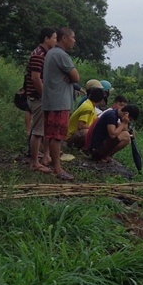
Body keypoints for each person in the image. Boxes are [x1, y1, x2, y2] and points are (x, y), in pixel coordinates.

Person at [41, 27, 79, 179]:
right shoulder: (61, 55)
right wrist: (71, 77)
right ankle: (57, 168)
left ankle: (49, 159)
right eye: (73, 37)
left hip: (50, 100)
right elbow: (76, 76)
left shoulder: (50, 53)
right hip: (59, 102)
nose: (74, 41)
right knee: (56, 135)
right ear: (65, 38)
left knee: (50, 133)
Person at [24, 27, 56, 173]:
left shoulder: (45, 54)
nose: (55, 41)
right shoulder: (39, 55)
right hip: (38, 98)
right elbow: (35, 78)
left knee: (44, 129)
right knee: (37, 131)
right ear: (46, 39)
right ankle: (34, 162)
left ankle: (44, 157)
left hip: (40, 97)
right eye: (54, 38)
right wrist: (45, 96)